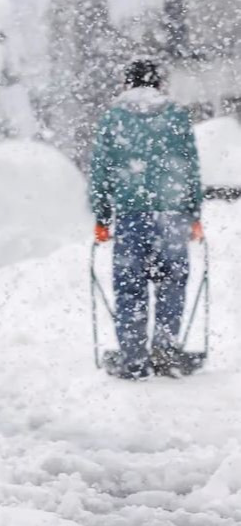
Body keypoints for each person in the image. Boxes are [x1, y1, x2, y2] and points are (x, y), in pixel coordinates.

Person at [89, 59, 204, 379]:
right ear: (159, 84)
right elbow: (190, 168)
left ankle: (134, 358)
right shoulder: (177, 116)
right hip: (172, 215)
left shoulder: (114, 119)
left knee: (130, 288)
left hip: (130, 216)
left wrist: (101, 217)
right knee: (171, 285)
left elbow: (101, 170)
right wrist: (194, 213)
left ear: (128, 84)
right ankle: (166, 352)